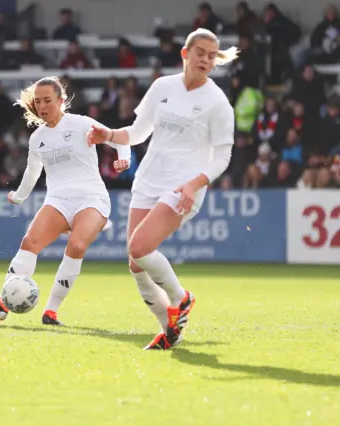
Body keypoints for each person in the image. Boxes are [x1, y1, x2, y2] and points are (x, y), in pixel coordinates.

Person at [87, 28, 238, 350]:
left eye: (212, 55)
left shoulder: (218, 103)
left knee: (139, 247)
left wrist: (194, 184)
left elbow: (224, 156)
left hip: (184, 187)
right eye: (200, 52)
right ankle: (171, 331)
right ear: (185, 53)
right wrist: (109, 135)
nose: (206, 60)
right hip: (148, 181)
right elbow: (138, 133)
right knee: (134, 261)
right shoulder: (162, 87)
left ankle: (181, 298)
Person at [0, 76, 130, 325]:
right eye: (38, 102)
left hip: (92, 197)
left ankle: (51, 311)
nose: (42, 107)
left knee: (76, 246)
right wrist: (19, 196)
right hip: (58, 199)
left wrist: (123, 159)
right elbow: (33, 172)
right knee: (30, 241)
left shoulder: (81, 124)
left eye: (47, 100)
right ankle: (2, 304)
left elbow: (119, 138)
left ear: (61, 101)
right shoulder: (38, 138)